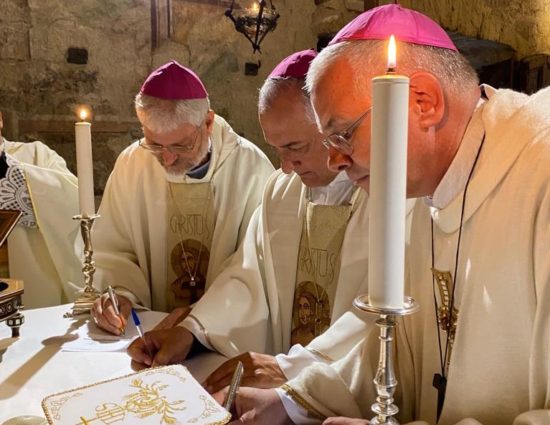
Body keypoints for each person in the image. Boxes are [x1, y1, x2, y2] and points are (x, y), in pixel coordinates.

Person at [224, 4, 550, 425]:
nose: (335, 160)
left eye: (342, 134)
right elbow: (393, 355)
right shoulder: (422, 186)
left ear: (424, 102)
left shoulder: (540, 169)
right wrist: (290, 403)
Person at [128, 50, 383, 391]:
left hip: (352, 395)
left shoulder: (388, 197)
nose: (285, 167)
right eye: (277, 149)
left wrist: (294, 368)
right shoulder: (282, 190)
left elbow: (379, 316)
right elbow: (249, 278)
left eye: (295, 147)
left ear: (330, 127)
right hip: (275, 398)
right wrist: (190, 332)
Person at [91, 60, 274, 335]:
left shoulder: (251, 169)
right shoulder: (132, 164)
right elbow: (112, 249)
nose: (167, 159)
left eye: (180, 145)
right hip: (147, 330)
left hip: (220, 334)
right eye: (154, 144)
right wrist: (120, 294)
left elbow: (255, 268)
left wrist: (204, 319)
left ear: (208, 122)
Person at [0, 111, 82, 308]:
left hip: (34, 285)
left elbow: (73, 197)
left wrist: (12, 172)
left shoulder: (36, 154)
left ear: (0, 119)